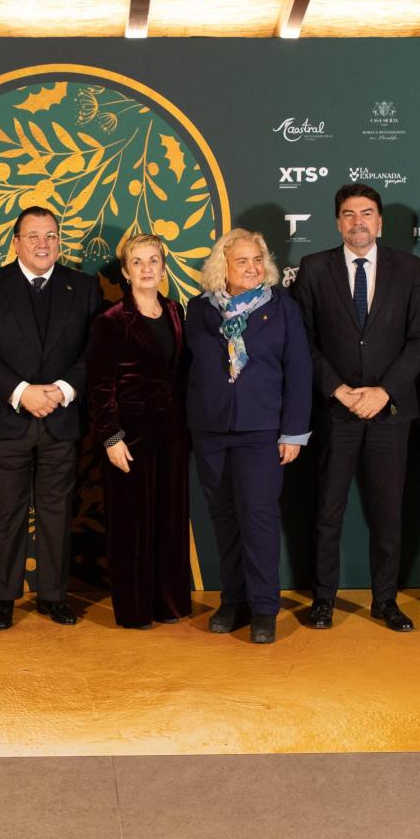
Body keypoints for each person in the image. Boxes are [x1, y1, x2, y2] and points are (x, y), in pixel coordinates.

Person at [291, 183, 420, 632]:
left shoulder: (409, 269)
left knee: (388, 513)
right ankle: (323, 601)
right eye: (349, 214)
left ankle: (386, 601)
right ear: (337, 222)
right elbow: (304, 341)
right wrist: (337, 388)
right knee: (328, 511)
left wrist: (384, 391)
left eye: (367, 213)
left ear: (380, 222)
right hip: (336, 412)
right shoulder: (314, 268)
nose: (358, 222)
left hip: (390, 413)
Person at [0, 205, 102, 630]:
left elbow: (93, 352)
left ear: (59, 241)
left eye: (51, 236)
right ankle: (4, 597)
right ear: (17, 241)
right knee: (4, 513)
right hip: (7, 421)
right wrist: (22, 393)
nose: (44, 244)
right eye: (34, 236)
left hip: (60, 421)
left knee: (56, 512)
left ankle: (52, 595)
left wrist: (60, 392)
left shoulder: (83, 287)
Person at [187, 228, 312, 644]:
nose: (253, 268)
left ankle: (263, 608)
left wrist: (293, 432)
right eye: (243, 261)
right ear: (222, 267)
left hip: (261, 431)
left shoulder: (282, 309)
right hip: (211, 431)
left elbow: (299, 373)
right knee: (223, 520)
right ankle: (232, 601)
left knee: (258, 521)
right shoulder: (199, 310)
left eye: (258, 260)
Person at [88, 232, 191, 629]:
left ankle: (168, 603)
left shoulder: (176, 310)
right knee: (132, 525)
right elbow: (100, 386)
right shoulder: (112, 320)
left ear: (164, 268)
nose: (146, 268)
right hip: (129, 437)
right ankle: (133, 610)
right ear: (126, 271)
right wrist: (111, 437)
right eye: (138, 262)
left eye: (153, 261)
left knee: (168, 520)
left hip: (174, 434)